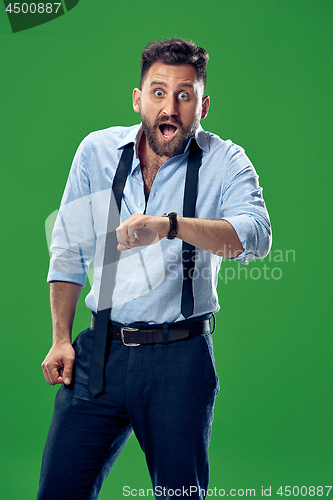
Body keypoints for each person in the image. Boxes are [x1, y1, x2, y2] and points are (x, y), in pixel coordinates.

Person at [38, 38, 271, 499]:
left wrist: (170, 226)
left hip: (180, 359)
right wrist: (61, 339)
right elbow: (67, 248)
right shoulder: (97, 153)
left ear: (202, 105)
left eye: (184, 95)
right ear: (138, 98)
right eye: (159, 92)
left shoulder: (226, 161)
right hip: (98, 355)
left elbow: (256, 236)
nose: (170, 107)